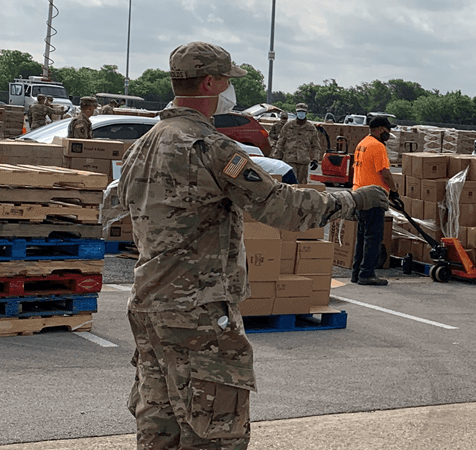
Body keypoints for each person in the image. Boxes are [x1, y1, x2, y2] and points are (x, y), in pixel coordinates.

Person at [116, 41, 388, 450]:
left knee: (160, 425)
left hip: (149, 301)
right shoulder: (209, 147)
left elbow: (117, 204)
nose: (230, 89)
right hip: (198, 309)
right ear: (210, 82)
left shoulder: (145, 143)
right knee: (215, 430)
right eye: (228, 80)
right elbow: (281, 206)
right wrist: (352, 200)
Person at [351, 116, 400, 286]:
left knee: (362, 237)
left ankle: (357, 272)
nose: (390, 133)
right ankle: (367, 274)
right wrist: (394, 191)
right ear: (380, 129)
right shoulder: (378, 146)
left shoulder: (362, 143)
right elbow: (385, 172)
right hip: (373, 196)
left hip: (358, 194)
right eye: (388, 129)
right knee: (373, 238)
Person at [272, 103, 323, 185]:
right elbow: (280, 142)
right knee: (289, 184)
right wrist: (277, 157)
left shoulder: (310, 128)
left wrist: (315, 159)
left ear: (306, 113)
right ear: (296, 113)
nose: (301, 114)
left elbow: (316, 146)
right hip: (289, 160)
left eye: (303, 112)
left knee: (302, 186)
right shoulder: (288, 126)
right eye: (299, 112)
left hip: (303, 161)